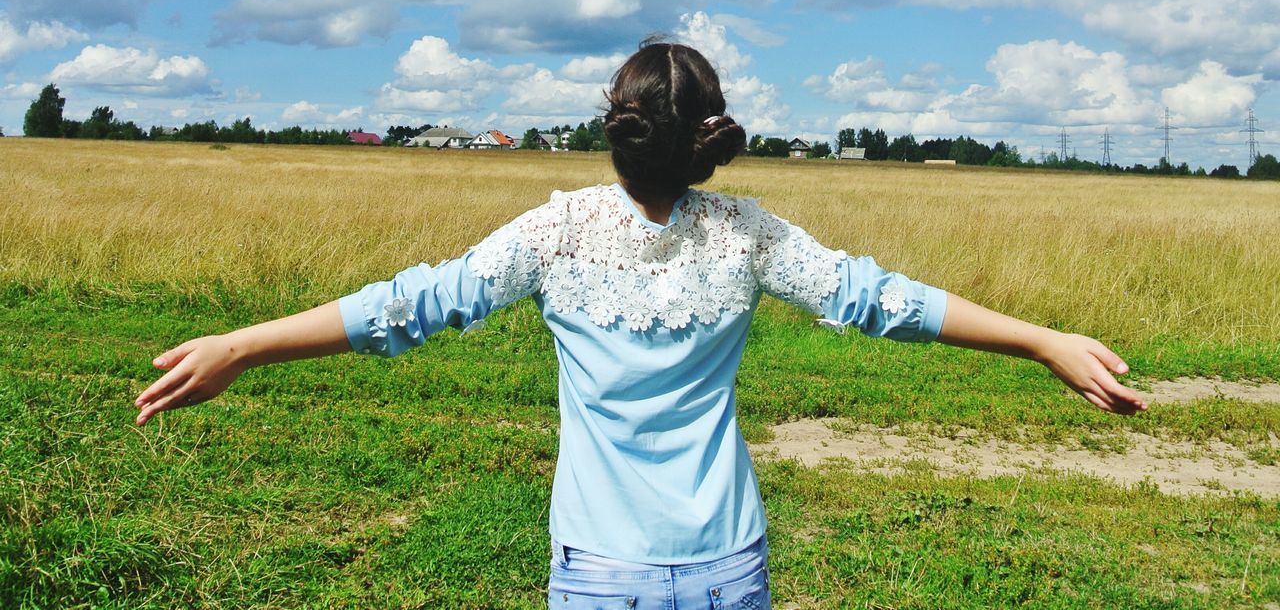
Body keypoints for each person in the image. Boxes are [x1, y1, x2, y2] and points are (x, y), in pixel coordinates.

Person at [134, 39, 1147, 609]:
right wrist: (1038, 337)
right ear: (705, 141)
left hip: (597, 569)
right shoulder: (746, 234)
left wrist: (241, 343)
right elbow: (880, 299)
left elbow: (409, 307)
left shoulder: (557, 230)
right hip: (725, 560)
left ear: (616, 132)